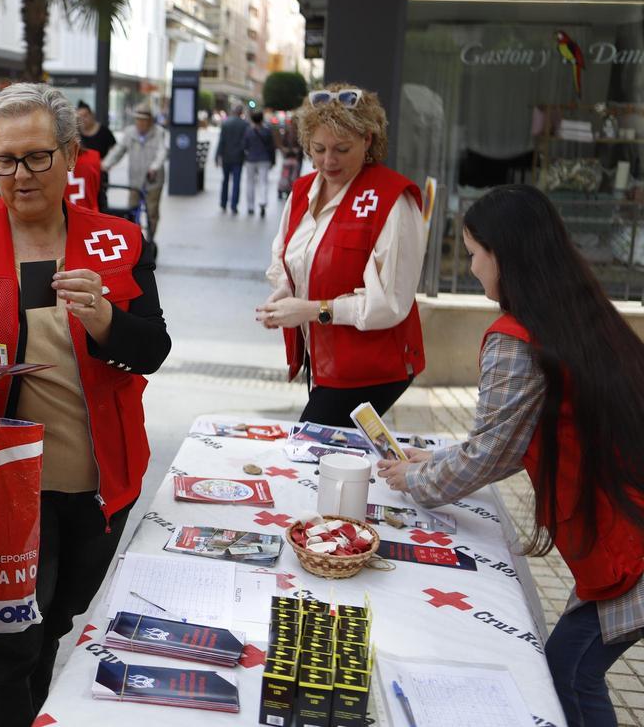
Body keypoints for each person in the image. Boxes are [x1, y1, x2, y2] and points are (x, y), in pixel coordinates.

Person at [0, 83, 172, 727]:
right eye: (5, 160)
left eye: (36, 158)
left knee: (52, 627)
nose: (19, 175)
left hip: (95, 483)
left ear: (71, 155)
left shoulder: (118, 242)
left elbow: (152, 350)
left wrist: (109, 318)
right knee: (3, 647)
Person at [377, 184, 644, 727]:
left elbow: (493, 449)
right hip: (629, 527)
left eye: (475, 252)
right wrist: (428, 463)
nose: (471, 268)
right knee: (571, 667)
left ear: (505, 253)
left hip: (629, 548)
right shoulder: (584, 312)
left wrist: (414, 481)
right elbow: (504, 438)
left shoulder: (516, 338)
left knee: (569, 673)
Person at [257, 83, 426, 427]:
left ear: (368, 140)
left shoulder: (392, 200)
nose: (328, 161)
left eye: (341, 149)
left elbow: (389, 303)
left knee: (311, 451)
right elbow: (289, 258)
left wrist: (307, 309)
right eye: (318, 149)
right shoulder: (304, 190)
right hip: (324, 362)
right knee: (335, 463)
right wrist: (286, 293)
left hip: (371, 368)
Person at [102, 106, 168, 242]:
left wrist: (154, 167)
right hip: (135, 181)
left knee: (152, 211)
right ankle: (134, 239)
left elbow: (162, 152)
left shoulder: (158, 132)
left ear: (150, 121)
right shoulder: (130, 133)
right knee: (131, 209)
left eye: (144, 120)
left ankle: (150, 238)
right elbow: (119, 151)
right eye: (138, 120)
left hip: (153, 179)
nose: (141, 123)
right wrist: (105, 165)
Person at [76, 100, 116, 212]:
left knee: (99, 198)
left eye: (85, 116)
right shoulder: (76, 133)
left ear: (91, 115)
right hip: (82, 174)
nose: (83, 119)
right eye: (80, 117)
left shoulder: (104, 131)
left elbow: (115, 150)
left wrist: (106, 163)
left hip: (100, 171)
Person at [242, 110, 276, 217]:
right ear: (262, 119)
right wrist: (273, 160)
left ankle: (250, 206)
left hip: (251, 159)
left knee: (250, 182)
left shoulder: (248, 131)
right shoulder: (267, 131)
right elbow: (271, 147)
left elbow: (244, 146)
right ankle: (262, 202)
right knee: (263, 182)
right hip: (264, 159)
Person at [215, 104, 248, 215]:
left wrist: (217, 156)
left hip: (226, 157)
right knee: (236, 182)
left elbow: (221, 141)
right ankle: (234, 205)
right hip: (238, 157)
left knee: (225, 180)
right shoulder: (244, 124)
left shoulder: (226, 123)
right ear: (241, 112)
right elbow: (246, 142)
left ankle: (223, 202)